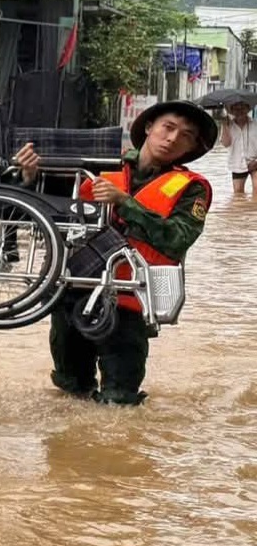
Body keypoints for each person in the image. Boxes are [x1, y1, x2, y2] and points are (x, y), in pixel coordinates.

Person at [48, 100, 214, 405]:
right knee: (70, 392)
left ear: (191, 147)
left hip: (131, 301)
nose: (173, 138)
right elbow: (47, 204)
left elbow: (178, 238)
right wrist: (29, 175)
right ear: (149, 127)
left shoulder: (192, 188)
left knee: (119, 403)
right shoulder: (98, 164)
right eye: (168, 127)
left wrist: (126, 203)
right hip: (75, 291)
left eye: (186, 135)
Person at [222, 98, 256, 196]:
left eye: (242, 108)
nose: (239, 111)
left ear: (248, 109)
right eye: (236, 109)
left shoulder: (255, 125)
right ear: (232, 111)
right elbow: (226, 144)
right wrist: (224, 126)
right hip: (237, 164)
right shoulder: (229, 126)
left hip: (255, 162)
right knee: (238, 194)